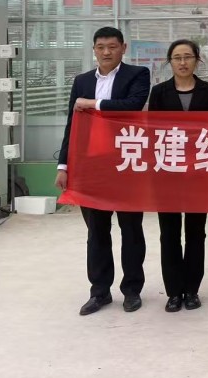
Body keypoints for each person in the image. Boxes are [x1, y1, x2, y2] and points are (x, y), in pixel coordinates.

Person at [55, 26, 151, 316]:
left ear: (123, 48)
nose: (106, 52)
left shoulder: (137, 74)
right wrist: (64, 165)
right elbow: (73, 125)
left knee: (131, 230)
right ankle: (99, 292)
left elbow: (132, 106)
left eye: (112, 46)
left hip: (126, 163)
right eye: (101, 47)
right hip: (91, 167)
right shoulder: (82, 80)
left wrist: (92, 104)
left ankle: (132, 290)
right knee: (96, 232)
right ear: (94, 49)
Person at [147, 39, 208, 313]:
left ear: (197, 60)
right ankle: (173, 292)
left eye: (188, 56)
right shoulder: (159, 92)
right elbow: (153, 132)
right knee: (169, 234)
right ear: (170, 62)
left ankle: (192, 290)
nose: (182, 62)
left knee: (196, 232)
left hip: (199, 172)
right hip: (167, 173)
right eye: (177, 57)